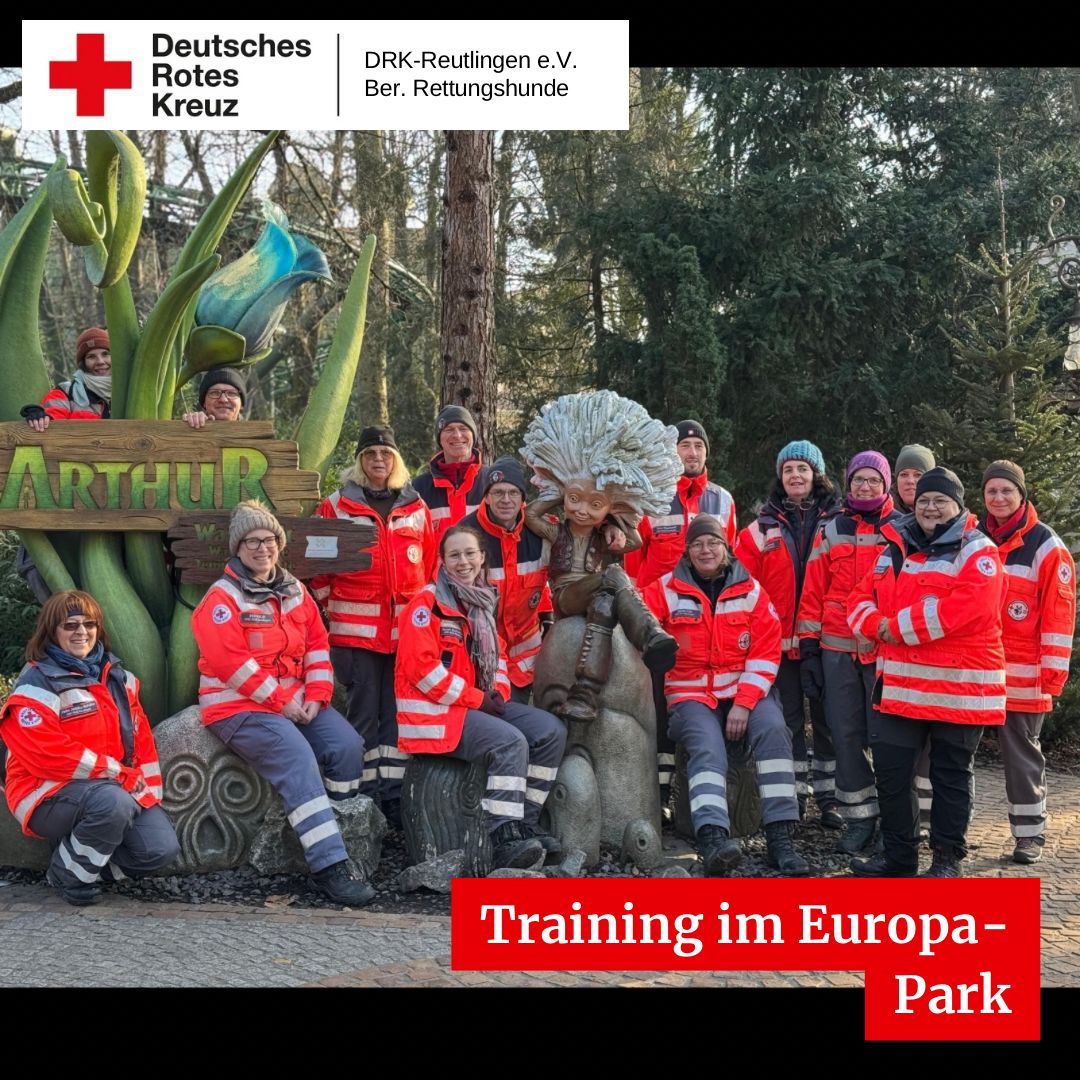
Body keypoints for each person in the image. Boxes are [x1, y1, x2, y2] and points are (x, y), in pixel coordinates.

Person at [191, 500, 376, 906]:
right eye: (252, 541)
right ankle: (330, 868)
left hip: (295, 701)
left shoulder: (294, 589)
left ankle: (338, 833)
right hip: (238, 708)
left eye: (269, 539)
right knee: (297, 759)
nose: (262, 548)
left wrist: (317, 696)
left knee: (346, 747)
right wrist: (281, 702)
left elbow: (317, 646)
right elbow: (230, 664)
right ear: (237, 549)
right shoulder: (221, 598)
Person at [847, 467, 1005, 878]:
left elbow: (966, 610)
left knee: (950, 778)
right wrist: (873, 624)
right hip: (900, 690)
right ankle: (899, 858)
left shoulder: (977, 551)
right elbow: (859, 598)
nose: (930, 508)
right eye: (923, 501)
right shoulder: (895, 548)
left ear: (958, 506)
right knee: (893, 776)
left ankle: (947, 860)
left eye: (940, 500)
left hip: (960, 692)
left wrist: (890, 628)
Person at [643, 516, 809, 875]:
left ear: (726, 548)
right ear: (687, 551)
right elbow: (639, 625)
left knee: (774, 732)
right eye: (698, 544)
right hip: (691, 696)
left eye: (713, 543)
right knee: (707, 747)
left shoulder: (751, 591)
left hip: (746, 690)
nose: (706, 550)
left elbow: (766, 653)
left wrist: (746, 703)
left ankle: (781, 838)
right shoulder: (665, 590)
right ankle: (713, 838)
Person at [395, 525, 567, 869]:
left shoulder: (482, 602)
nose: (463, 562)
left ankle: (525, 823)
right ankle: (502, 837)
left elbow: (499, 657)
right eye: (454, 555)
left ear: (482, 557)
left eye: (470, 553)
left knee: (551, 731)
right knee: (510, 743)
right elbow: (423, 673)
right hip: (433, 716)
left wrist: (500, 692)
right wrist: (479, 699)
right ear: (442, 561)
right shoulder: (426, 605)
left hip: (472, 706)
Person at [0, 591, 178, 906]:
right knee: (111, 803)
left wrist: (147, 794)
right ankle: (70, 877)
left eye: (89, 624)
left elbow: (141, 742)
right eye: (70, 625)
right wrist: (117, 774)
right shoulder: (36, 684)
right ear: (51, 631)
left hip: (110, 788)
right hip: (44, 792)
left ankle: (70, 862)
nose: (81, 632)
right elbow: (48, 755)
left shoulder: (120, 679)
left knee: (159, 850)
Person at [311, 426, 435, 825]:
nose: (378, 460)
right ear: (360, 461)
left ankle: (394, 798)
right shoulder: (336, 506)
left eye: (385, 453)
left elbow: (431, 568)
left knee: (398, 716)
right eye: (370, 454)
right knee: (363, 716)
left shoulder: (416, 508)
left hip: (405, 637)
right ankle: (363, 797)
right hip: (356, 635)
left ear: (396, 460)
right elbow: (318, 571)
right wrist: (335, 614)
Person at [797, 450, 901, 854]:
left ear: (886, 484)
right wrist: (809, 651)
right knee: (846, 737)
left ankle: (894, 823)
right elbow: (813, 592)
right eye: (859, 480)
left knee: (890, 740)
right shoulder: (832, 529)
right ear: (849, 483)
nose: (866, 486)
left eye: (874, 480)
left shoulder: (902, 529)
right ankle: (860, 820)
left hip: (884, 652)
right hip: (836, 651)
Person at [735, 440, 841, 825]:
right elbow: (741, 589)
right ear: (780, 477)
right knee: (790, 723)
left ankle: (831, 800)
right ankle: (794, 799)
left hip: (828, 643)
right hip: (776, 648)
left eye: (803, 469)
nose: (796, 476)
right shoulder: (758, 529)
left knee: (831, 723)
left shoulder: (840, 523)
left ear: (817, 475)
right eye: (788, 470)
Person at [977, 460, 1075, 864]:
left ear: (1021, 493)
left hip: (1023, 677)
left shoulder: (1047, 546)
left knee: (1021, 756)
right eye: (991, 492)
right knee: (949, 752)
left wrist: (1050, 678)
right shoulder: (972, 538)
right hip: (975, 672)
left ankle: (1029, 836)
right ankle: (941, 829)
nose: (999, 498)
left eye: (1006, 491)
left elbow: (1058, 617)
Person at [460, 456, 553, 704]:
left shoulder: (541, 533)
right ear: (486, 497)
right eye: (498, 492)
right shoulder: (465, 536)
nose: (506, 500)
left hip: (526, 664)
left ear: (523, 499)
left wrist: (611, 525)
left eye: (513, 492)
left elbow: (583, 530)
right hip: (477, 659)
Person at [893, 443, 938, 834]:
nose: (911, 482)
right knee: (901, 748)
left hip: (936, 656)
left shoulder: (955, 530)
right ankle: (907, 822)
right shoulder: (890, 528)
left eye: (918, 476)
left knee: (938, 753)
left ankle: (929, 821)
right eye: (904, 475)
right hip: (892, 653)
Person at [412, 405, 486, 540]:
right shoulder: (419, 488)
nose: (457, 435)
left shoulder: (491, 481)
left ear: (473, 435)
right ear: (440, 438)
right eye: (449, 429)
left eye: (463, 428)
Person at [21, 327, 112, 430]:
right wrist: (40, 418)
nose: (100, 361)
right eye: (91, 357)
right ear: (83, 363)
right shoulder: (65, 392)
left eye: (105, 354)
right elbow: (51, 427)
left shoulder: (128, 393)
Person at [893, 444, 936, 514]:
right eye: (904, 475)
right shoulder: (881, 518)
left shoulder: (949, 518)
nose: (910, 481)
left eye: (918, 475)